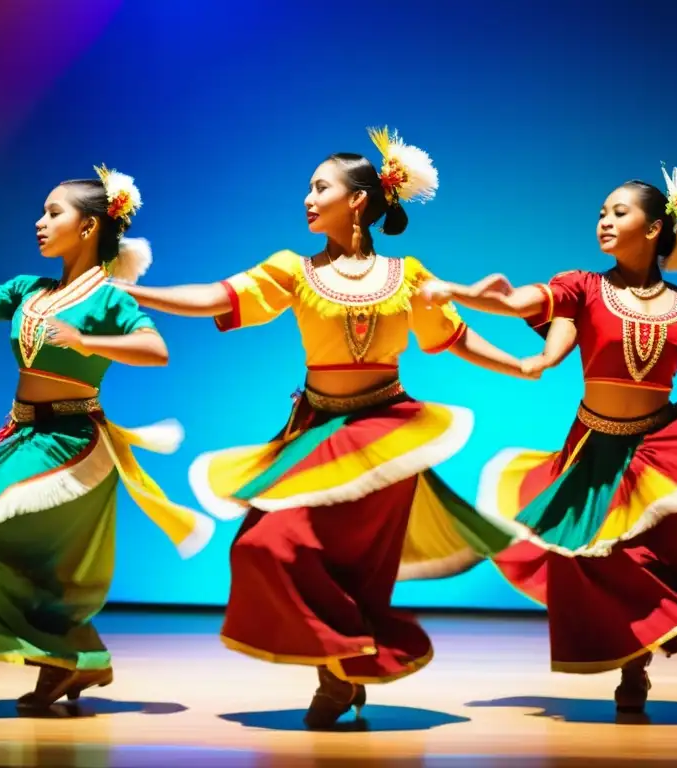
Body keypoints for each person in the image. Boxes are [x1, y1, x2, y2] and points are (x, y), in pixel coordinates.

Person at [117, 127, 529, 729]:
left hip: (388, 434)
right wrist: (139, 292)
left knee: (357, 569)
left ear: (358, 200)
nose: (307, 199)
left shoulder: (407, 273)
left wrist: (520, 365)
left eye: (320, 187)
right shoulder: (294, 270)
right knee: (265, 544)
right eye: (308, 189)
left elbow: (455, 338)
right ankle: (345, 666)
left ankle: (339, 676)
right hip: (317, 434)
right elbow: (216, 297)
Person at [0, 168, 215, 712]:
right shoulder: (28, 290)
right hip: (24, 433)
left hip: (73, 440)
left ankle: (64, 659)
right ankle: (76, 658)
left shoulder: (107, 297)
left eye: (54, 212)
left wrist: (85, 339)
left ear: (88, 227)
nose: (40, 221)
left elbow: (157, 350)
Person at [423, 164, 677, 713]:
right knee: (586, 552)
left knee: (655, 558)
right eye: (601, 214)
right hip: (594, 448)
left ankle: (636, 667)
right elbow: (519, 308)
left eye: (618, 212)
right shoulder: (582, 288)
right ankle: (630, 654)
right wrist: (463, 293)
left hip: (659, 451)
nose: (604, 221)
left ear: (654, 229)